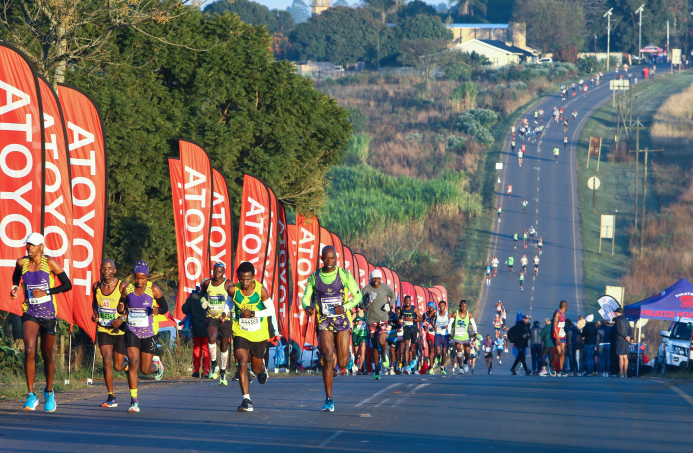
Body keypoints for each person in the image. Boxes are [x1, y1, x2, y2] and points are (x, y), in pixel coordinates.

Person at [12, 233, 73, 412]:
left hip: (48, 314)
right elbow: (16, 278)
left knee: (46, 353)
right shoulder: (21, 263)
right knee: (29, 350)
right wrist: (14, 288)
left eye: (32, 245)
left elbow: (67, 285)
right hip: (30, 312)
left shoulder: (50, 263)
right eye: (27, 245)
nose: (29, 248)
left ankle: (48, 391)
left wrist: (46, 292)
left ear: (41, 247)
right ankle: (31, 395)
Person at [302, 246, 362, 410]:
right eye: (326, 258)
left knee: (342, 363)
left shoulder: (344, 275)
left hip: (342, 321)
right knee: (328, 358)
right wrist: (307, 307)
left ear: (336, 258)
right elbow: (306, 297)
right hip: (325, 321)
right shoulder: (314, 278)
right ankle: (329, 399)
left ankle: (343, 352)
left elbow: (358, 296)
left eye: (332, 258)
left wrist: (345, 307)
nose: (329, 261)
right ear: (321, 259)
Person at [118, 261, 166, 412]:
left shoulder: (154, 289)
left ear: (147, 277)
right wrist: (120, 308)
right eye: (136, 278)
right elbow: (121, 307)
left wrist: (158, 310)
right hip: (132, 329)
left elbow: (164, 307)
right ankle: (134, 401)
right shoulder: (128, 289)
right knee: (133, 362)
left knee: (145, 369)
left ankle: (157, 365)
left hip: (149, 332)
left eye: (142, 278)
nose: (139, 281)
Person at [227, 262, 275, 412]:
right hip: (240, 330)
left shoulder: (261, 291)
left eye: (248, 279)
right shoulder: (233, 290)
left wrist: (253, 313)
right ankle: (246, 400)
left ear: (253, 277)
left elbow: (271, 310)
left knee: (256, 368)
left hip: (259, 333)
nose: (245, 283)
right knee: (242, 362)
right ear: (238, 277)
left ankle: (262, 370)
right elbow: (229, 303)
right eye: (242, 279)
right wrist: (224, 313)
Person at [92, 259, 129, 408]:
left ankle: (125, 364)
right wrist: (95, 315)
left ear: (115, 270)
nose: (106, 271)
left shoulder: (123, 287)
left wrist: (121, 318)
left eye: (109, 268)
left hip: (119, 330)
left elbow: (133, 307)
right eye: (103, 268)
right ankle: (111, 396)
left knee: (118, 366)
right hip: (103, 329)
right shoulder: (96, 286)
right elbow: (94, 304)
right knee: (106, 361)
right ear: (100, 270)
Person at [199, 263, 234, 385]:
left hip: (225, 318)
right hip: (211, 317)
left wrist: (228, 312)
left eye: (219, 272)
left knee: (224, 346)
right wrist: (203, 300)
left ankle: (223, 373)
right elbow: (202, 293)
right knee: (211, 337)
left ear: (224, 271)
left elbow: (233, 300)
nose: (217, 274)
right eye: (215, 271)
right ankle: (214, 365)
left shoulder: (229, 284)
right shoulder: (207, 283)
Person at [361, 269, 396, 380]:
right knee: (374, 345)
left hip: (383, 319)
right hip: (371, 321)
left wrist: (389, 305)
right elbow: (362, 306)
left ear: (381, 279)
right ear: (371, 278)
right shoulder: (366, 289)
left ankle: (384, 354)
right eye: (374, 278)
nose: (376, 280)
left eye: (378, 278)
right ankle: (377, 369)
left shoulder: (385, 287)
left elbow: (393, 296)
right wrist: (368, 301)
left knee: (381, 341)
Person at [182, 286, 211, 379]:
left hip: (196, 326)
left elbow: (184, 309)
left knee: (197, 349)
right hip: (208, 327)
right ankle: (206, 371)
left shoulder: (192, 296)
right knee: (206, 349)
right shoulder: (209, 296)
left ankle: (196, 371)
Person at [451, 300, 477, 375]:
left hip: (466, 336)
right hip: (457, 336)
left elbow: (474, 324)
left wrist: (475, 332)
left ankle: (465, 362)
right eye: (462, 306)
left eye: (465, 307)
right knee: (459, 350)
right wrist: (449, 334)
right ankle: (461, 368)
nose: (464, 308)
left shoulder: (469, 314)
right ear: (460, 306)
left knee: (468, 353)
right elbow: (450, 324)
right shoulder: (455, 313)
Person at [399, 295, 421, 375]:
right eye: (406, 301)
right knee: (406, 347)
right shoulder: (402, 308)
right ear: (404, 301)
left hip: (413, 330)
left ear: (411, 301)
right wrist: (400, 320)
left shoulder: (414, 309)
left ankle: (414, 358)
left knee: (412, 349)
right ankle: (407, 365)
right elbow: (400, 317)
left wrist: (411, 319)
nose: (408, 302)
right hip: (406, 330)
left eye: (409, 301)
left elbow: (421, 319)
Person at [612, 307, 633, 378]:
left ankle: (621, 372)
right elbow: (630, 330)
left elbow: (618, 330)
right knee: (625, 356)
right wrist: (628, 336)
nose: (615, 314)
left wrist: (624, 336)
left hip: (620, 339)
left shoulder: (618, 319)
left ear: (618, 313)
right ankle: (625, 372)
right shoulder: (626, 320)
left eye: (616, 313)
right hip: (626, 340)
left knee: (620, 356)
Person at [432, 300, 451, 375]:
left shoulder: (448, 315)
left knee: (444, 352)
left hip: (445, 335)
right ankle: (438, 357)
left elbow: (452, 323)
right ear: (439, 306)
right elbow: (431, 319)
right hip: (438, 334)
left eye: (443, 305)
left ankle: (442, 366)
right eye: (440, 305)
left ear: (445, 306)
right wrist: (434, 326)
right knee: (438, 351)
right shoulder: (436, 314)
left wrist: (448, 326)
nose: (441, 307)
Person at [551, 300, 569, 377]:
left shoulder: (563, 314)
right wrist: (557, 337)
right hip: (556, 336)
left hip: (562, 335)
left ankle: (560, 370)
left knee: (562, 353)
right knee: (558, 352)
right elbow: (554, 326)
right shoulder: (557, 313)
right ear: (566, 306)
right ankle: (551, 365)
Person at [352, 306, 368, 375]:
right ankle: (356, 359)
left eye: (359, 307)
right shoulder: (355, 314)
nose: (358, 308)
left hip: (363, 334)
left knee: (362, 351)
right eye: (357, 307)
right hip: (356, 334)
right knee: (356, 352)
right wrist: (356, 323)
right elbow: (350, 322)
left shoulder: (366, 314)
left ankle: (360, 368)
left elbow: (370, 321)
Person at [423, 302, 437, 373]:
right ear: (428, 307)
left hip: (436, 334)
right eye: (429, 306)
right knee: (430, 349)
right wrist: (423, 326)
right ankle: (431, 367)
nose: (431, 307)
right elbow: (421, 321)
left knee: (436, 350)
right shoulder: (425, 314)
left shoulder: (436, 314)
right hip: (429, 333)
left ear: (434, 307)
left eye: (432, 306)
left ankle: (436, 358)